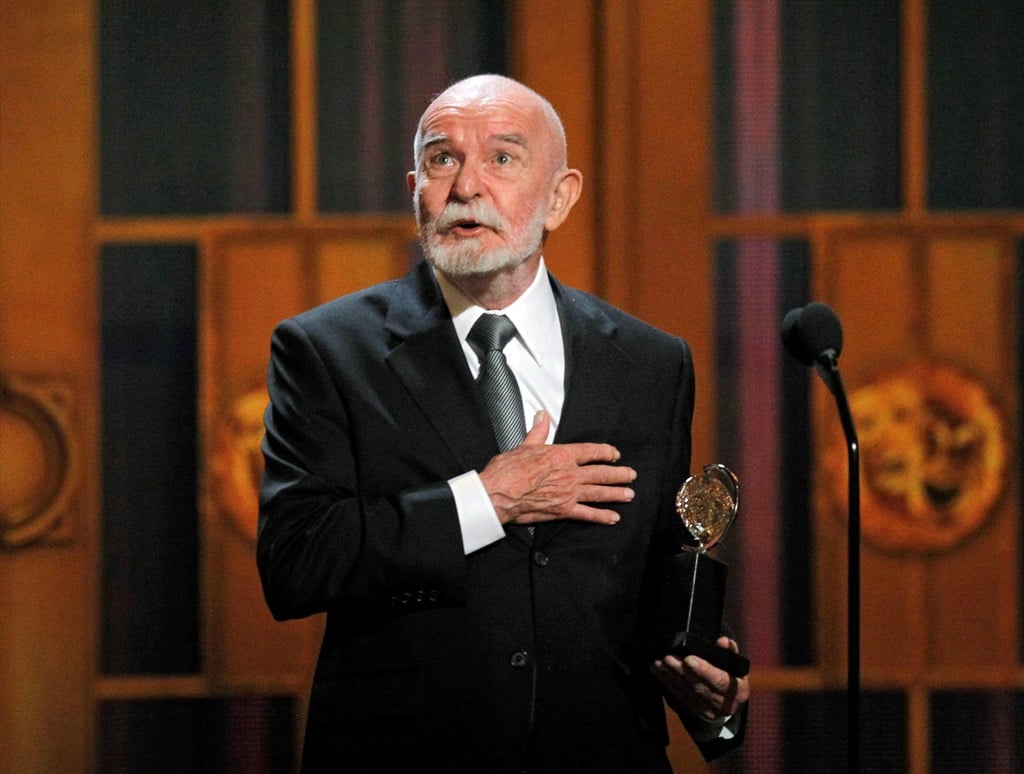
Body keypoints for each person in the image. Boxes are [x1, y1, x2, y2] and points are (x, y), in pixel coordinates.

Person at [258, 73, 749, 773]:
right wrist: (486, 501)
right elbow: (297, 562)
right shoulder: (328, 350)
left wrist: (714, 691)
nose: (465, 187)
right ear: (414, 192)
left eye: (503, 159)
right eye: (441, 158)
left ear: (559, 198)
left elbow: (653, 569)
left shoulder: (649, 362)